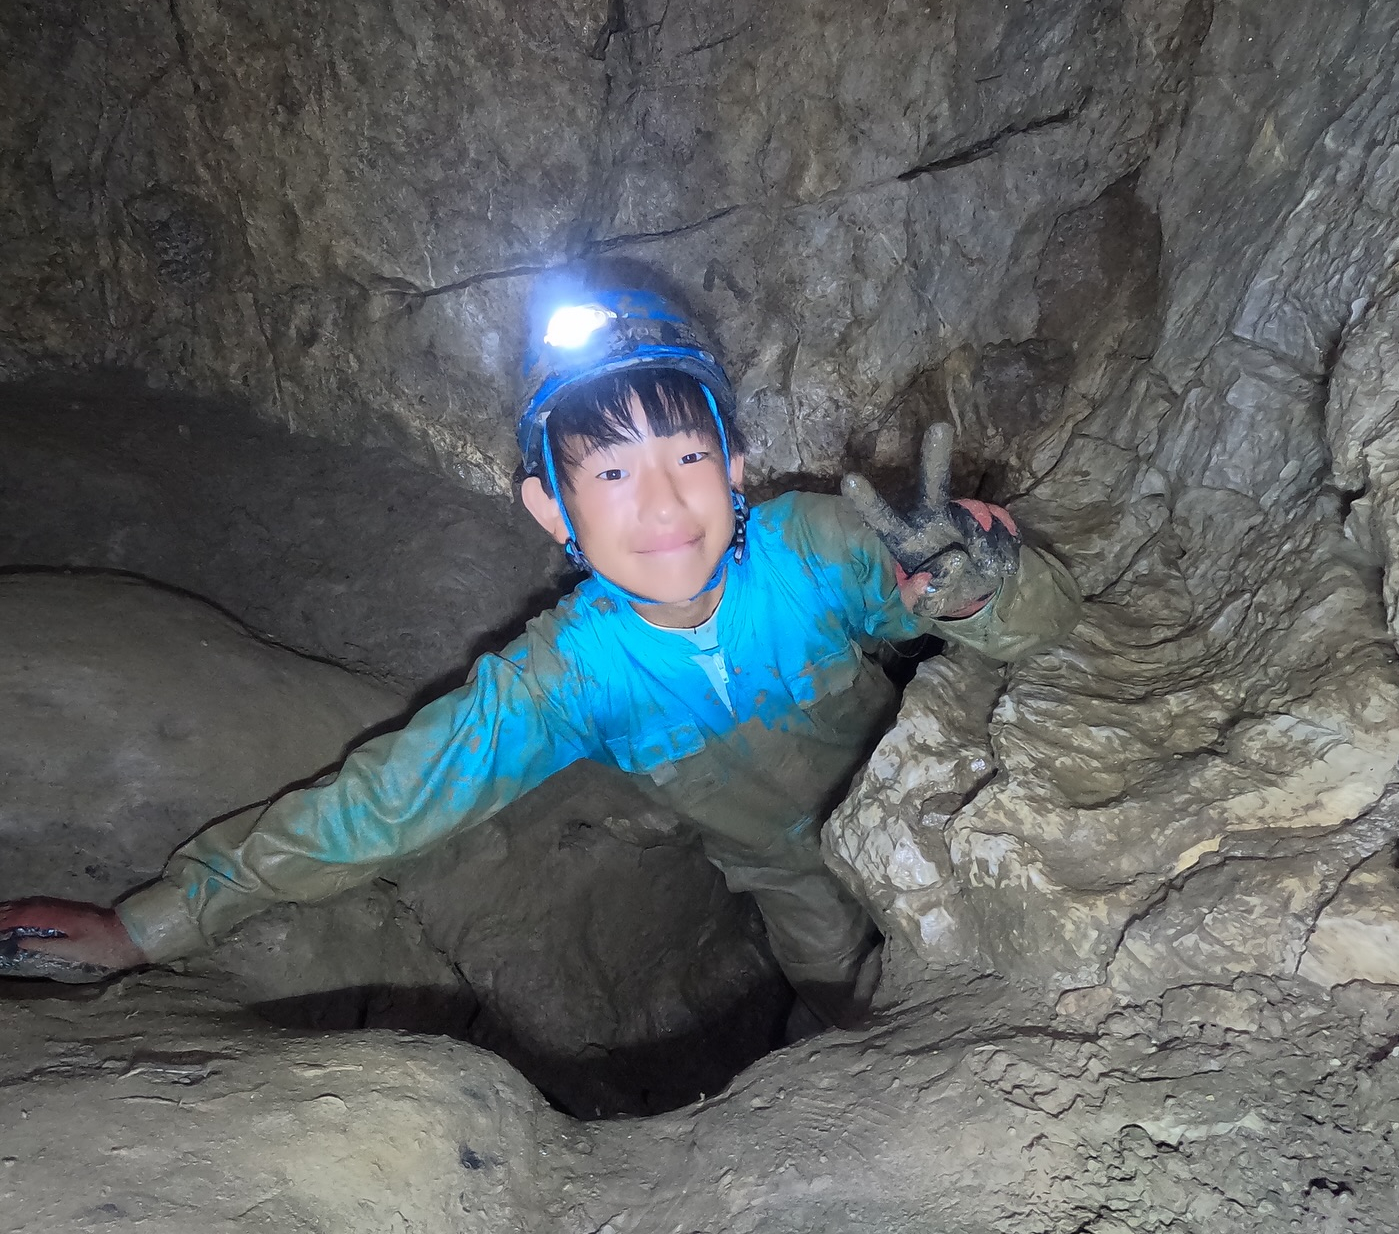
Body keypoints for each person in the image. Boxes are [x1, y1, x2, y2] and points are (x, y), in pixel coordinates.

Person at [0, 271, 1080, 1025]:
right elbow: (383, 802)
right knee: (848, 1004)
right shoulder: (566, 676)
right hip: (780, 874)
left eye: (688, 452)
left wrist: (984, 586)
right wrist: (148, 927)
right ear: (552, 509)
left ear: (737, 462)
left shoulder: (814, 547)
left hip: (913, 809)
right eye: (608, 472)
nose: (661, 502)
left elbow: (1039, 631)